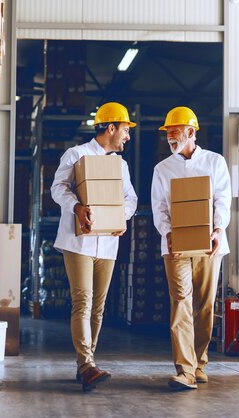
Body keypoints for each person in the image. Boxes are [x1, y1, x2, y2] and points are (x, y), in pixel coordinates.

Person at [51, 102, 138, 391]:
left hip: (108, 242)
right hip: (79, 241)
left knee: (98, 309)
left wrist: (122, 216)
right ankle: (87, 365)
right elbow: (58, 188)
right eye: (125, 130)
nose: (127, 136)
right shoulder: (76, 155)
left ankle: (86, 364)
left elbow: (131, 199)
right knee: (83, 301)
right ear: (111, 127)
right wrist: (76, 206)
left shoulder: (120, 165)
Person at [150, 106, 232, 390]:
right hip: (174, 246)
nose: (170, 137)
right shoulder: (162, 169)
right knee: (181, 302)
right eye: (168, 133)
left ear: (191, 132)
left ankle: (199, 363)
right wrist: (168, 231)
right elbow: (159, 207)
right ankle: (184, 370)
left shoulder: (214, 162)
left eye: (174, 132)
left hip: (210, 244)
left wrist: (218, 229)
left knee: (205, 306)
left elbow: (223, 199)